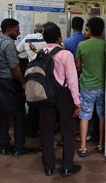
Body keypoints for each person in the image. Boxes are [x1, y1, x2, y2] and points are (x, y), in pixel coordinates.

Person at [36, 22, 82, 177]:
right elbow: (72, 79)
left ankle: (48, 167)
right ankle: (68, 166)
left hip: (45, 96)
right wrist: (77, 101)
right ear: (59, 37)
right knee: (67, 130)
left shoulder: (40, 53)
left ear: (43, 37)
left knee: (47, 130)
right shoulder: (65, 54)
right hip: (63, 96)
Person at [0, 18, 36, 156]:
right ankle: (19, 147)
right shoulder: (9, 44)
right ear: (9, 30)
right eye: (16, 29)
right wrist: (22, 82)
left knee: (2, 114)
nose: (19, 32)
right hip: (11, 83)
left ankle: (4, 146)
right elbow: (14, 67)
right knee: (19, 115)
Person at [76, 17, 106, 156]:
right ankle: (100, 144)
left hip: (87, 86)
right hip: (103, 86)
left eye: (87, 29)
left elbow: (78, 68)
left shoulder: (82, 45)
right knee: (102, 115)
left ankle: (83, 147)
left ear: (91, 30)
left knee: (85, 115)